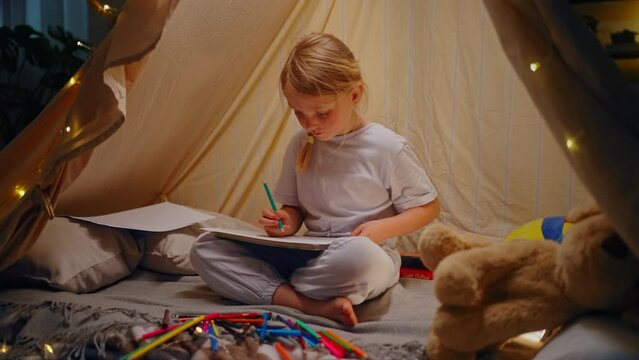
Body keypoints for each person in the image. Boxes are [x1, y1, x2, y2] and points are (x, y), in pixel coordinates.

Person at [191, 33, 440, 326]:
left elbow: (429, 207)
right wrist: (284, 223)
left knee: (359, 259)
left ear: (355, 95)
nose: (310, 123)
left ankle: (274, 287)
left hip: (362, 255)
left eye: (322, 112)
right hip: (308, 252)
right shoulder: (301, 143)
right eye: (299, 112)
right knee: (204, 247)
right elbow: (293, 211)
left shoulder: (387, 147)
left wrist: (382, 229)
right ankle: (308, 302)